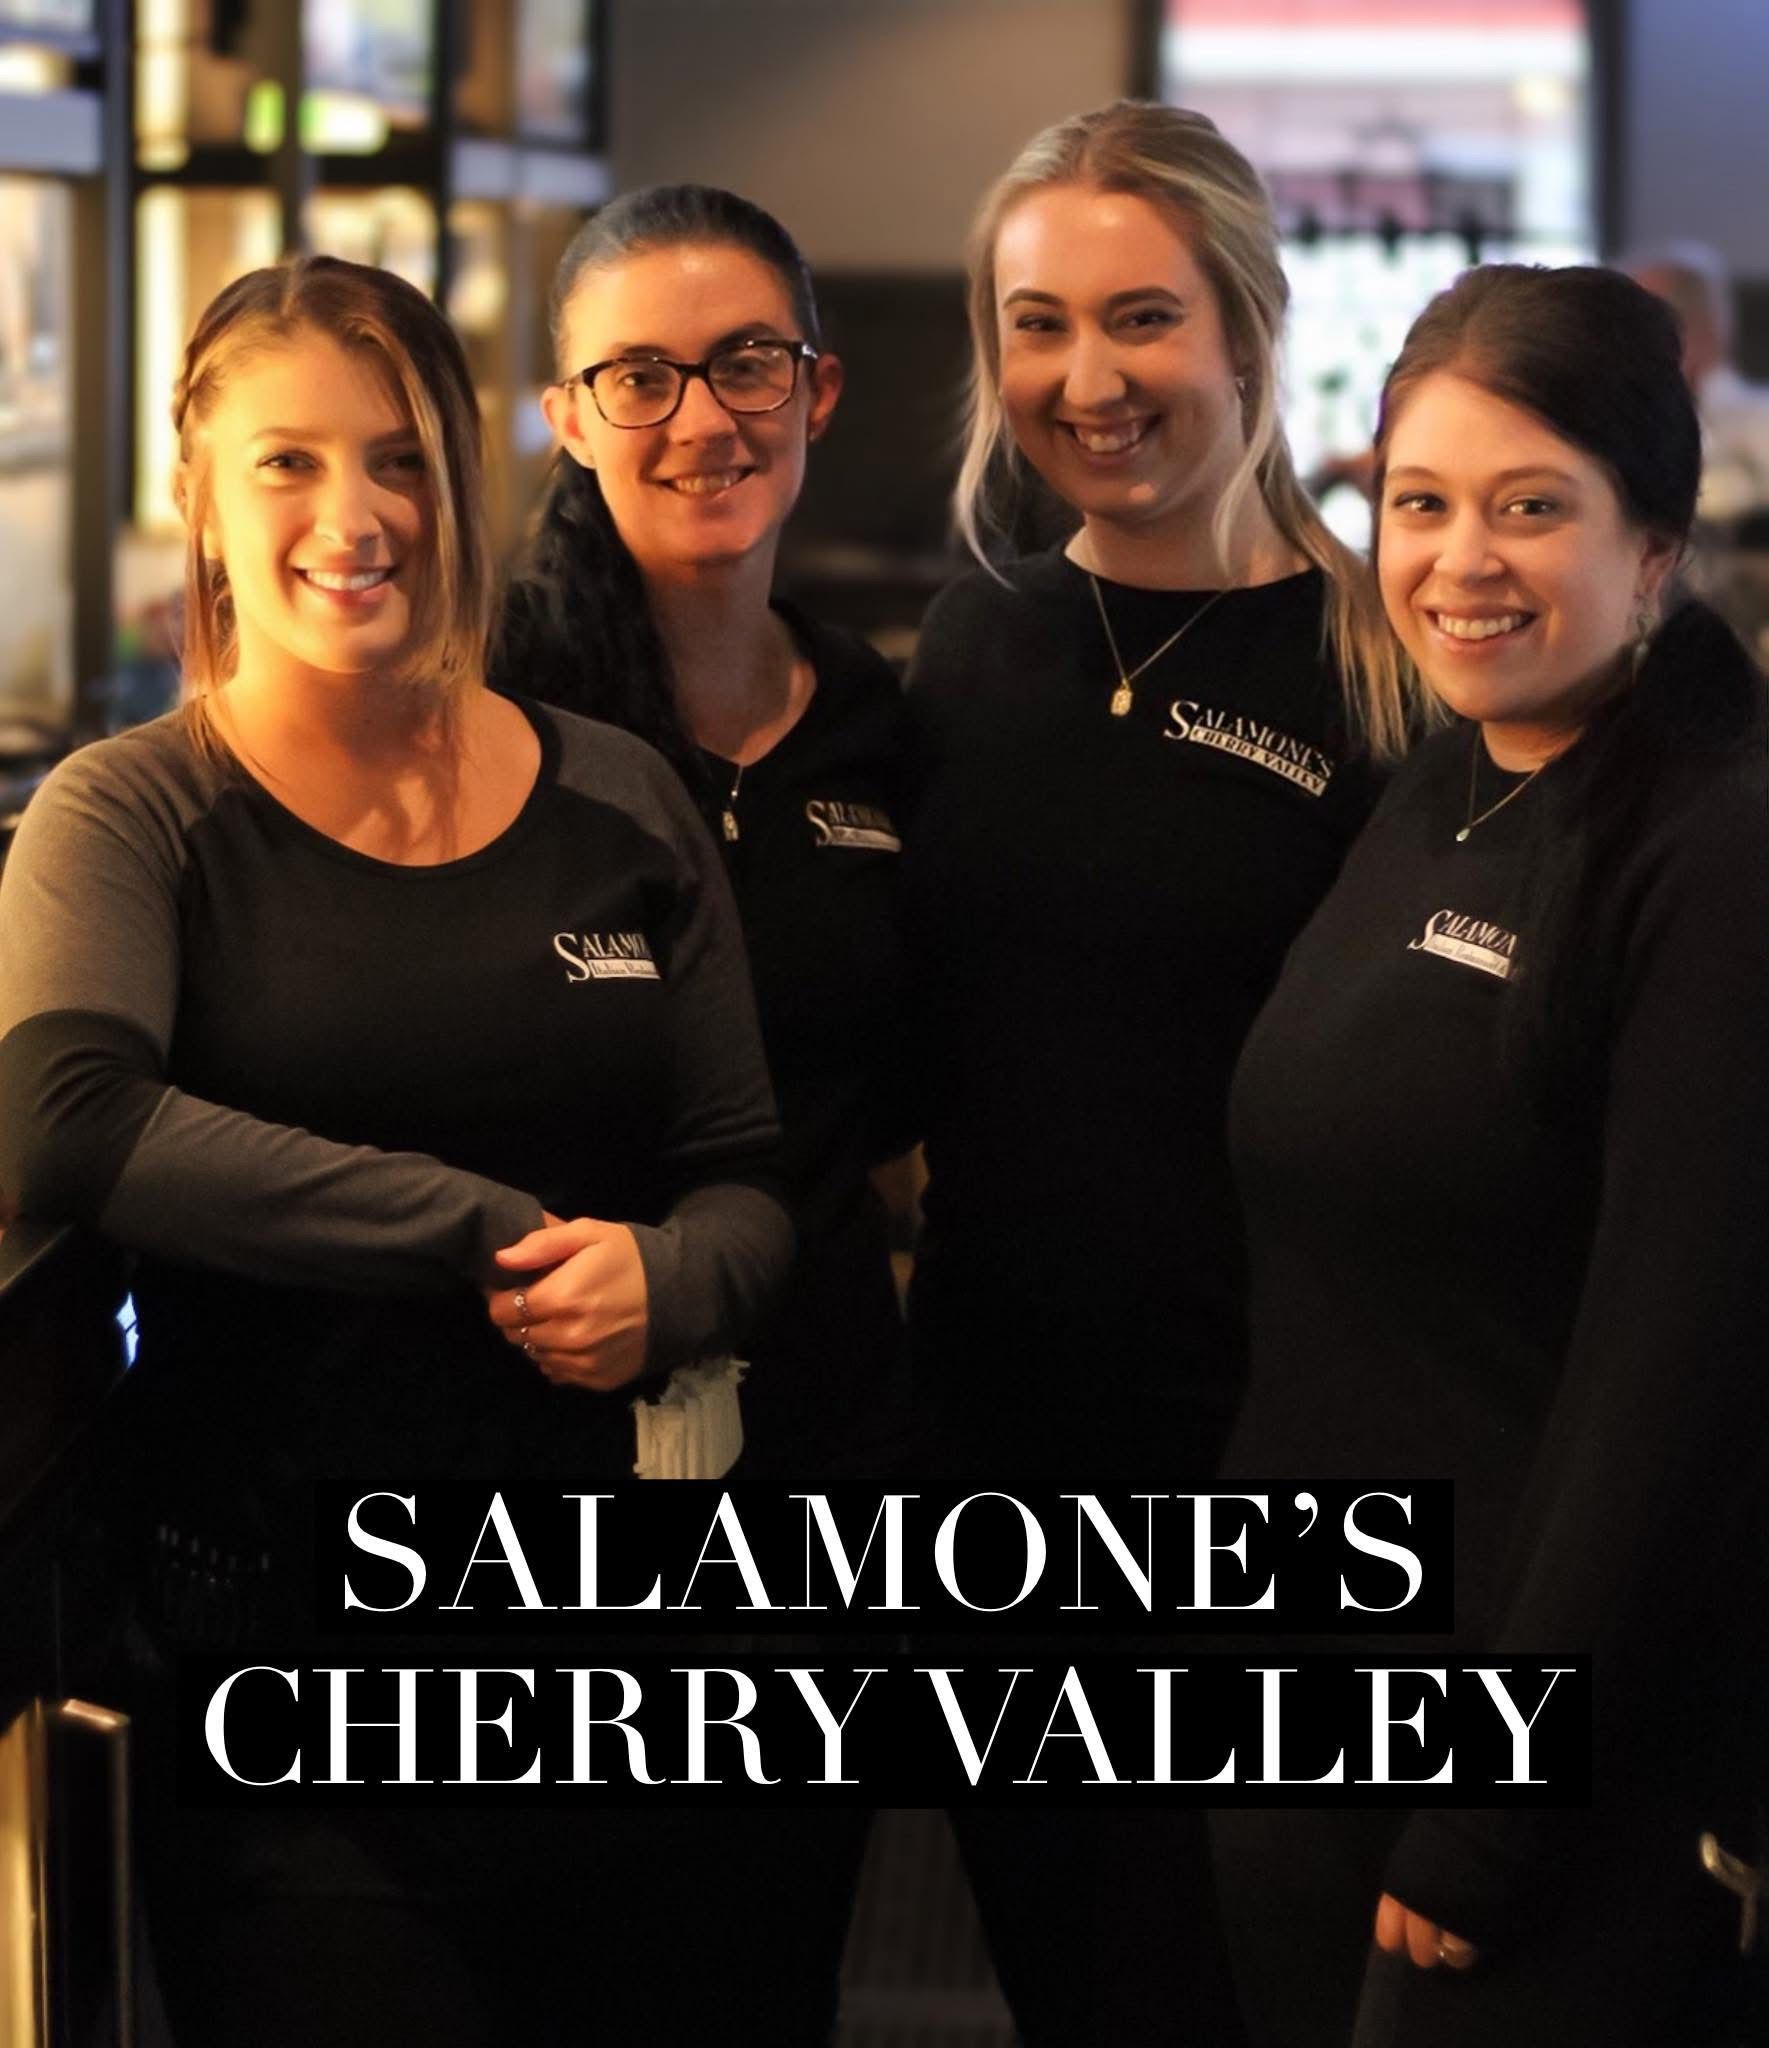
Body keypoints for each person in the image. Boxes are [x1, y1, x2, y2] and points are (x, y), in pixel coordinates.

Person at [0, 254, 793, 2045]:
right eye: (286, 462)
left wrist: (668, 1278)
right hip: (293, 1694)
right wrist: (493, 1231)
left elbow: (745, 1172)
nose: (352, 517)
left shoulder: (617, 792)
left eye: (401, 459)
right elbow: (69, 1126)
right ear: (196, 493)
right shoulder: (129, 817)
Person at [1212, 262, 1769, 2047]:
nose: (1460, 560)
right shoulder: (1447, 776)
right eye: (1421, 502)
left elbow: (1659, 1385)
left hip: (1517, 1775)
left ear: (1656, 543)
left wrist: (1488, 1808)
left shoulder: (1710, 851)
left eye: (1532, 508)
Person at [897, 99, 1402, 2046]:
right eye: (1037, 325)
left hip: (1269, 1472)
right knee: (1061, 1980)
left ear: (1249, 333)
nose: (1085, 381)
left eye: (1140, 320)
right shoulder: (977, 640)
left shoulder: (1384, 674)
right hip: (993, 1462)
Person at [495, 183, 913, 1488]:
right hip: (522, 1420)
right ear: (567, 417)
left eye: (746, 363)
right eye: (636, 377)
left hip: (834, 1422)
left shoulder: (872, 716)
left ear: (815, 391)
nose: (701, 418)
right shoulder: (488, 710)